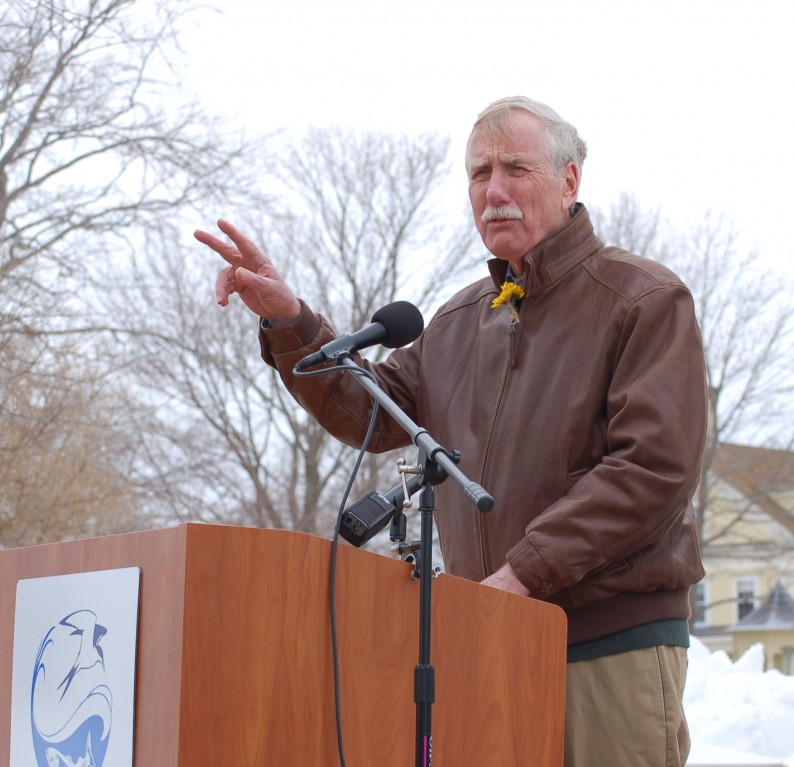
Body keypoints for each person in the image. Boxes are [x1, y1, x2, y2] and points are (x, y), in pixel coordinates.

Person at [194, 96, 707, 767]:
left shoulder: (642, 301)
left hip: (606, 645)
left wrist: (523, 572)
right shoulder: (461, 318)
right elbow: (371, 411)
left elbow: (652, 470)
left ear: (570, 180)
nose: (493, 191)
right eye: (478, 173)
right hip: (489, 639)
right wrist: (291, 321)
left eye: (515, 168)